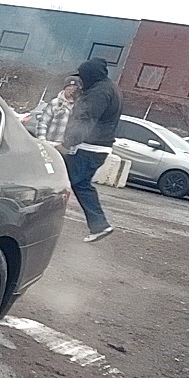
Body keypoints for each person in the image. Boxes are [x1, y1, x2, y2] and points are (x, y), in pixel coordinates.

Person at [62, 58, 121, 243]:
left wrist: (67, 142)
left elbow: (86, 119)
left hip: (89, 147)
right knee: (81, 184)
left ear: (90, 75)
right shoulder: (108, 88)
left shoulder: (99, 92)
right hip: (98, 148)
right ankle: (99, 225)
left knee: (59, 183)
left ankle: (40, 225)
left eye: (83, 76)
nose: (81, 81)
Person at [36, 77, 81, 150]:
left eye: (75, 87)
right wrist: (42, 141)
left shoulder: (80, 106)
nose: (72, 90)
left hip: (68, 148)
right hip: (51, 146)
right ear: (64, 88)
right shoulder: (55, 103)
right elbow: (43, 123)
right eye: (69, 87)